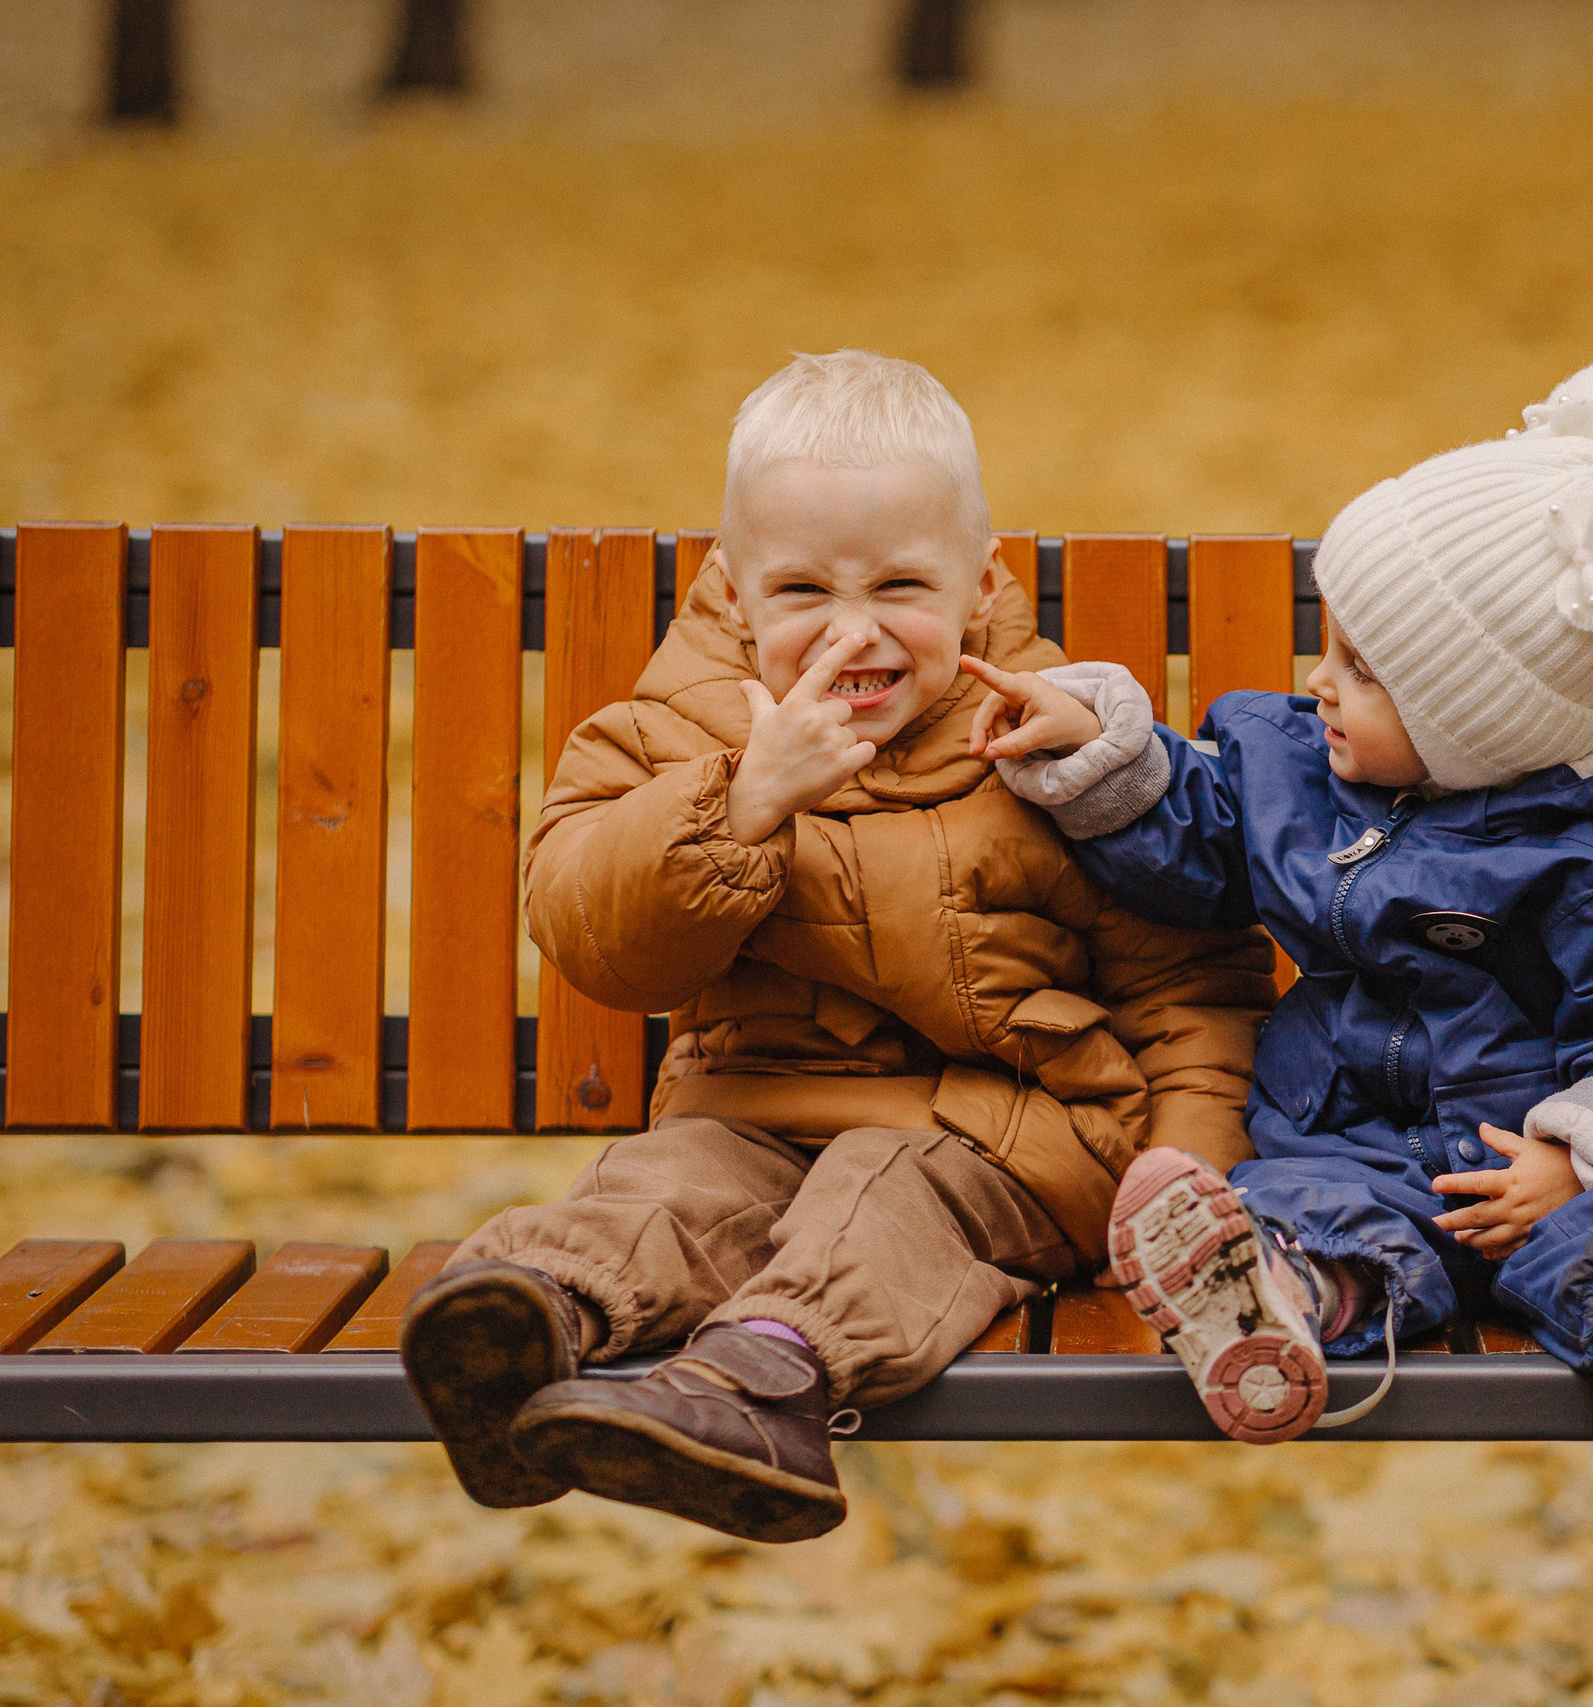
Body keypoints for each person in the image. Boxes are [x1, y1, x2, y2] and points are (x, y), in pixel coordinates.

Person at [399, 351, 1273, 1541]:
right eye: (802, 589)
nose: (850, 632)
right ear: (731, 590)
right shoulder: (664, 740)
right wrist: (738, 805)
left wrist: (1181, 1184)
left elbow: (1191, 986)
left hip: (1010, 1141)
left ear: (979, 586)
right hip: (751, 1113)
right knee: (666, 1187)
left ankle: (764, 1377)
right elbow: (592, 933)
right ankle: (522, 1325)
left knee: (886, 1193)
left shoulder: (1056, 751)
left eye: (901, 585)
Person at [964, 359, 1593, 1475]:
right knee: (1303, 1206)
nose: (1316, 681)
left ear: (1487, 726)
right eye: (1331, 645)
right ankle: (1270, 1299)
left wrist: (1584, 1150)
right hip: (1356, 1140)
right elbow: (1215, 828)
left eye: (1359, 669)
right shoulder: (1323, 777)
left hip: (1551, 1163)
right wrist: (1096, 747)